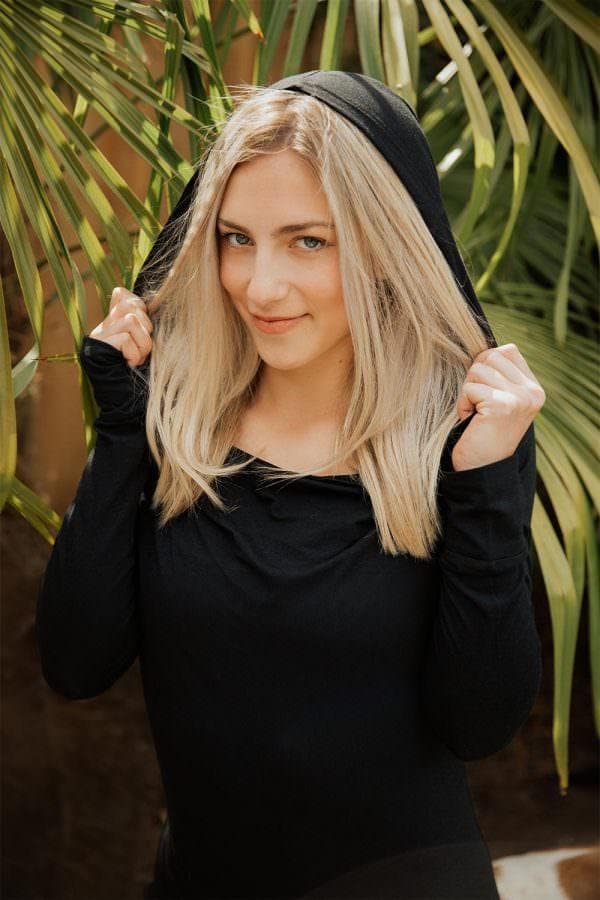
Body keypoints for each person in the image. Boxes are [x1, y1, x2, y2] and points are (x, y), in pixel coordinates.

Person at [35, 70, 546, 899]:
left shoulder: (462, 435)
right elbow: (75, 662)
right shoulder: (174, 423)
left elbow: (479, 722)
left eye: (307, 241)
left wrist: (485, 484)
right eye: (237, 238)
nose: (259, 285)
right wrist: (123, 436)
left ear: (382, 245)